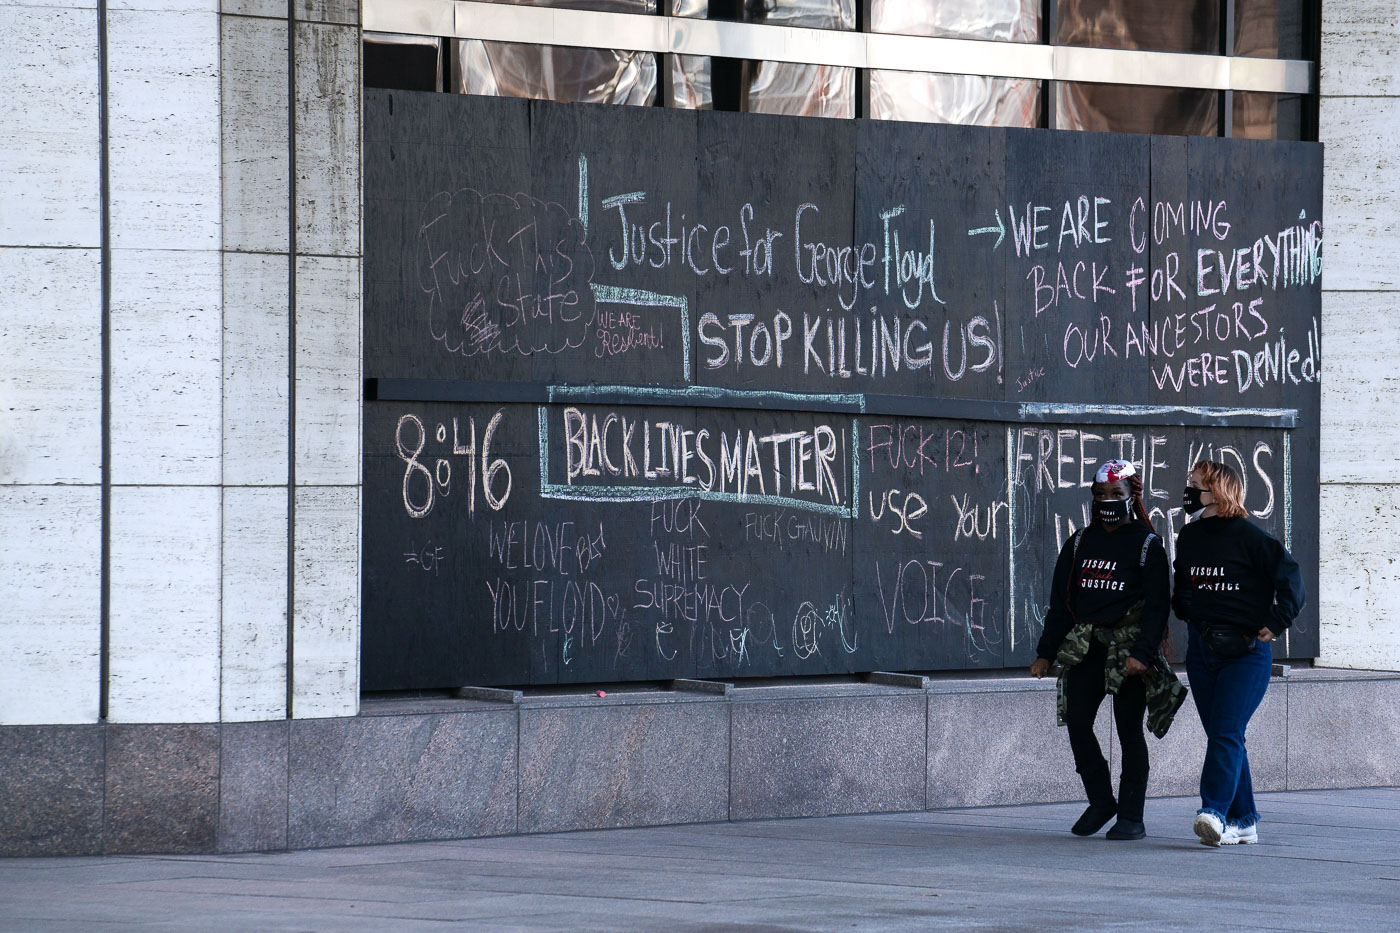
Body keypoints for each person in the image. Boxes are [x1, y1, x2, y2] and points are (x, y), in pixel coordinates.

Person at [1031, 460, 1186, 841]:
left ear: (1133, 497)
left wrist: (1143, 654)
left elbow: (1157, 607)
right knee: (1078, 725)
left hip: (1128, 655)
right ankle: (1101, 801)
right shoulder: (1079, 542)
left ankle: (1132, 815)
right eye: (1100, 495)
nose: (1107, 501)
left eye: (1116, 494)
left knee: (1129, 731)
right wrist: (1045, 653)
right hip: (1086, 651)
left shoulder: (1147, 544)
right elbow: (1061, 604)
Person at [1175, 459, 1304, 847]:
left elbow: (1292, 579)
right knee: (1224, 734)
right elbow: (1182, 585)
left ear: (1216, 491)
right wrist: (1189, 612)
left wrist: (1276, 621)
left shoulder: (1250, 537)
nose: (1189, 490)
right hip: (1202, 649)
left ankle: (1213, 812)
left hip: (1246, 653)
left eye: (1195, 484)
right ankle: (1244, 821)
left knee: (1226, 730)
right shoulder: (1190, 536)